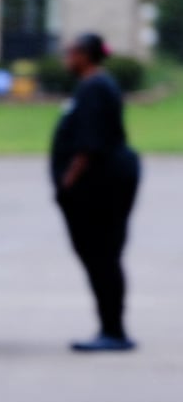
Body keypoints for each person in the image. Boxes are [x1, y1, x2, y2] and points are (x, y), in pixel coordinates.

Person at [50, 33, 141, 352]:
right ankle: (110, 328)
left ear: (84, 56)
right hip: (103, 183)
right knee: (102, 257)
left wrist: (67, 183)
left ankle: (113, 331)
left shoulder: (94, 88)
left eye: (70, 53)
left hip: (100, 187)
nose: (66, 59)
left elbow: (89, 146)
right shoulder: (96, 85)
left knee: (102, 255)